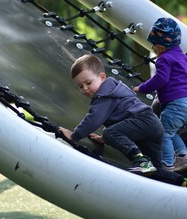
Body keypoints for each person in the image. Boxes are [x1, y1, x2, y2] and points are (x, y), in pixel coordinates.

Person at [59, 54, 186, 187]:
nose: (85, 88)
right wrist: (104, 138)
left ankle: (141, 161)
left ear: (102, 77)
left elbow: (93, 119)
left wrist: (74, 136)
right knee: (155, 170)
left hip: (142, 120)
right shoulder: (115, 88)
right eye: (80, 86)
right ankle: (180, 181)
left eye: (88, 83)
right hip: (152, 125)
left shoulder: (103, 95)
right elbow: (124, 118)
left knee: (110, 133)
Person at [133, 17, 187, 172]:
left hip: (176, 104)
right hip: (185, 104)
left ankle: (167, 164)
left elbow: (160, 79)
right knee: (172, 131)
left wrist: (141, 88)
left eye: (153, 46)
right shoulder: (182, 57)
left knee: (163, 133)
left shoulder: (164, 59)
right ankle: (183, 156)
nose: (153, 49)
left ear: (160, 46)